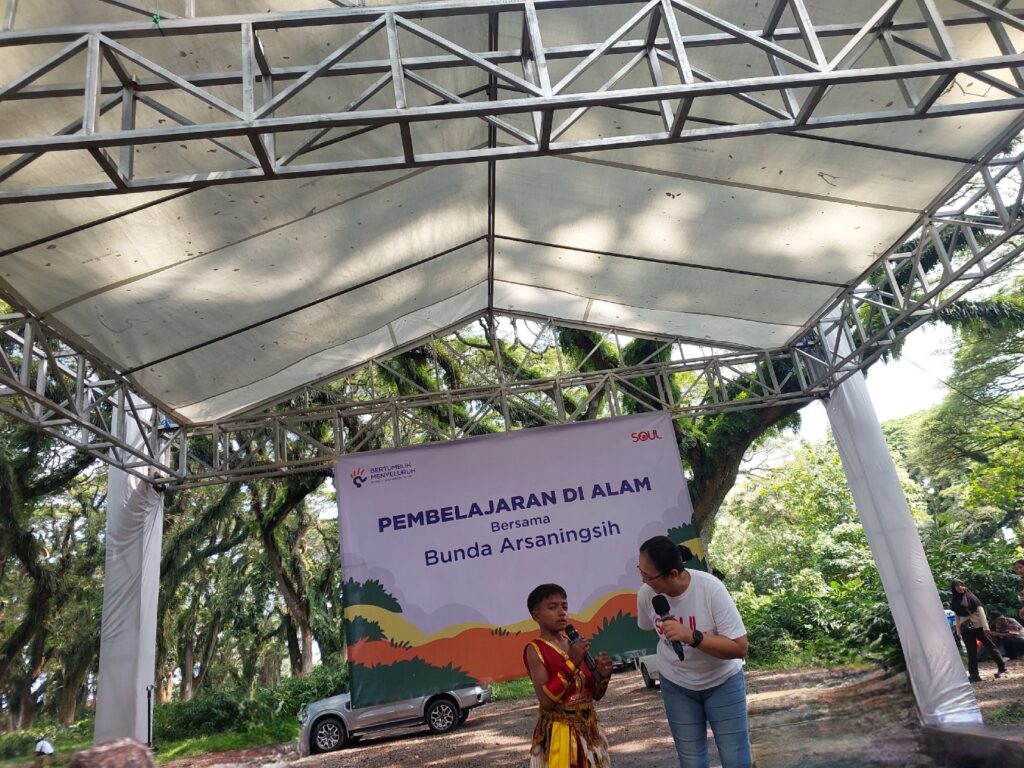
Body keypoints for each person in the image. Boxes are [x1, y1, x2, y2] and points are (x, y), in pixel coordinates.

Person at [636, 536, 751, 768]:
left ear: (673, 574)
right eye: (641, 572)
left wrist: (691, 636)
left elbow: (740, 648)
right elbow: (649, 628)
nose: (644, 581)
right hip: (676, 684)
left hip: (722, 681)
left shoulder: (710, 589)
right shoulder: (647, 594)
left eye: (649, 576)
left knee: (735, 758)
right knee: (691, 761)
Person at [524, 583, 613, 768]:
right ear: (536, 616)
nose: (562, 612)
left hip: (589, 729)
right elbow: (546, 701)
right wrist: (572, 662)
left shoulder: (573, 642)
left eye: (564, 606)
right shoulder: (535, 649)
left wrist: (603, 677)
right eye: (552, 607)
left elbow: (595, 695)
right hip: (562, 734)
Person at [951, 579, 1008, 682]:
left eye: (961, 585)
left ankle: (1002, 668)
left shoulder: (971, 597)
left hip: (979, 627)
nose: (959, 587)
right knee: (971, 652)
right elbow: (957, 617)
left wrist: (986, 627)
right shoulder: (955, 601)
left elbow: (981, 612)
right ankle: (974, 675)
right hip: (966, 629)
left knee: (990, 647)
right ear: (954, 589)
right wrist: (958, 632)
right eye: (956, 586)